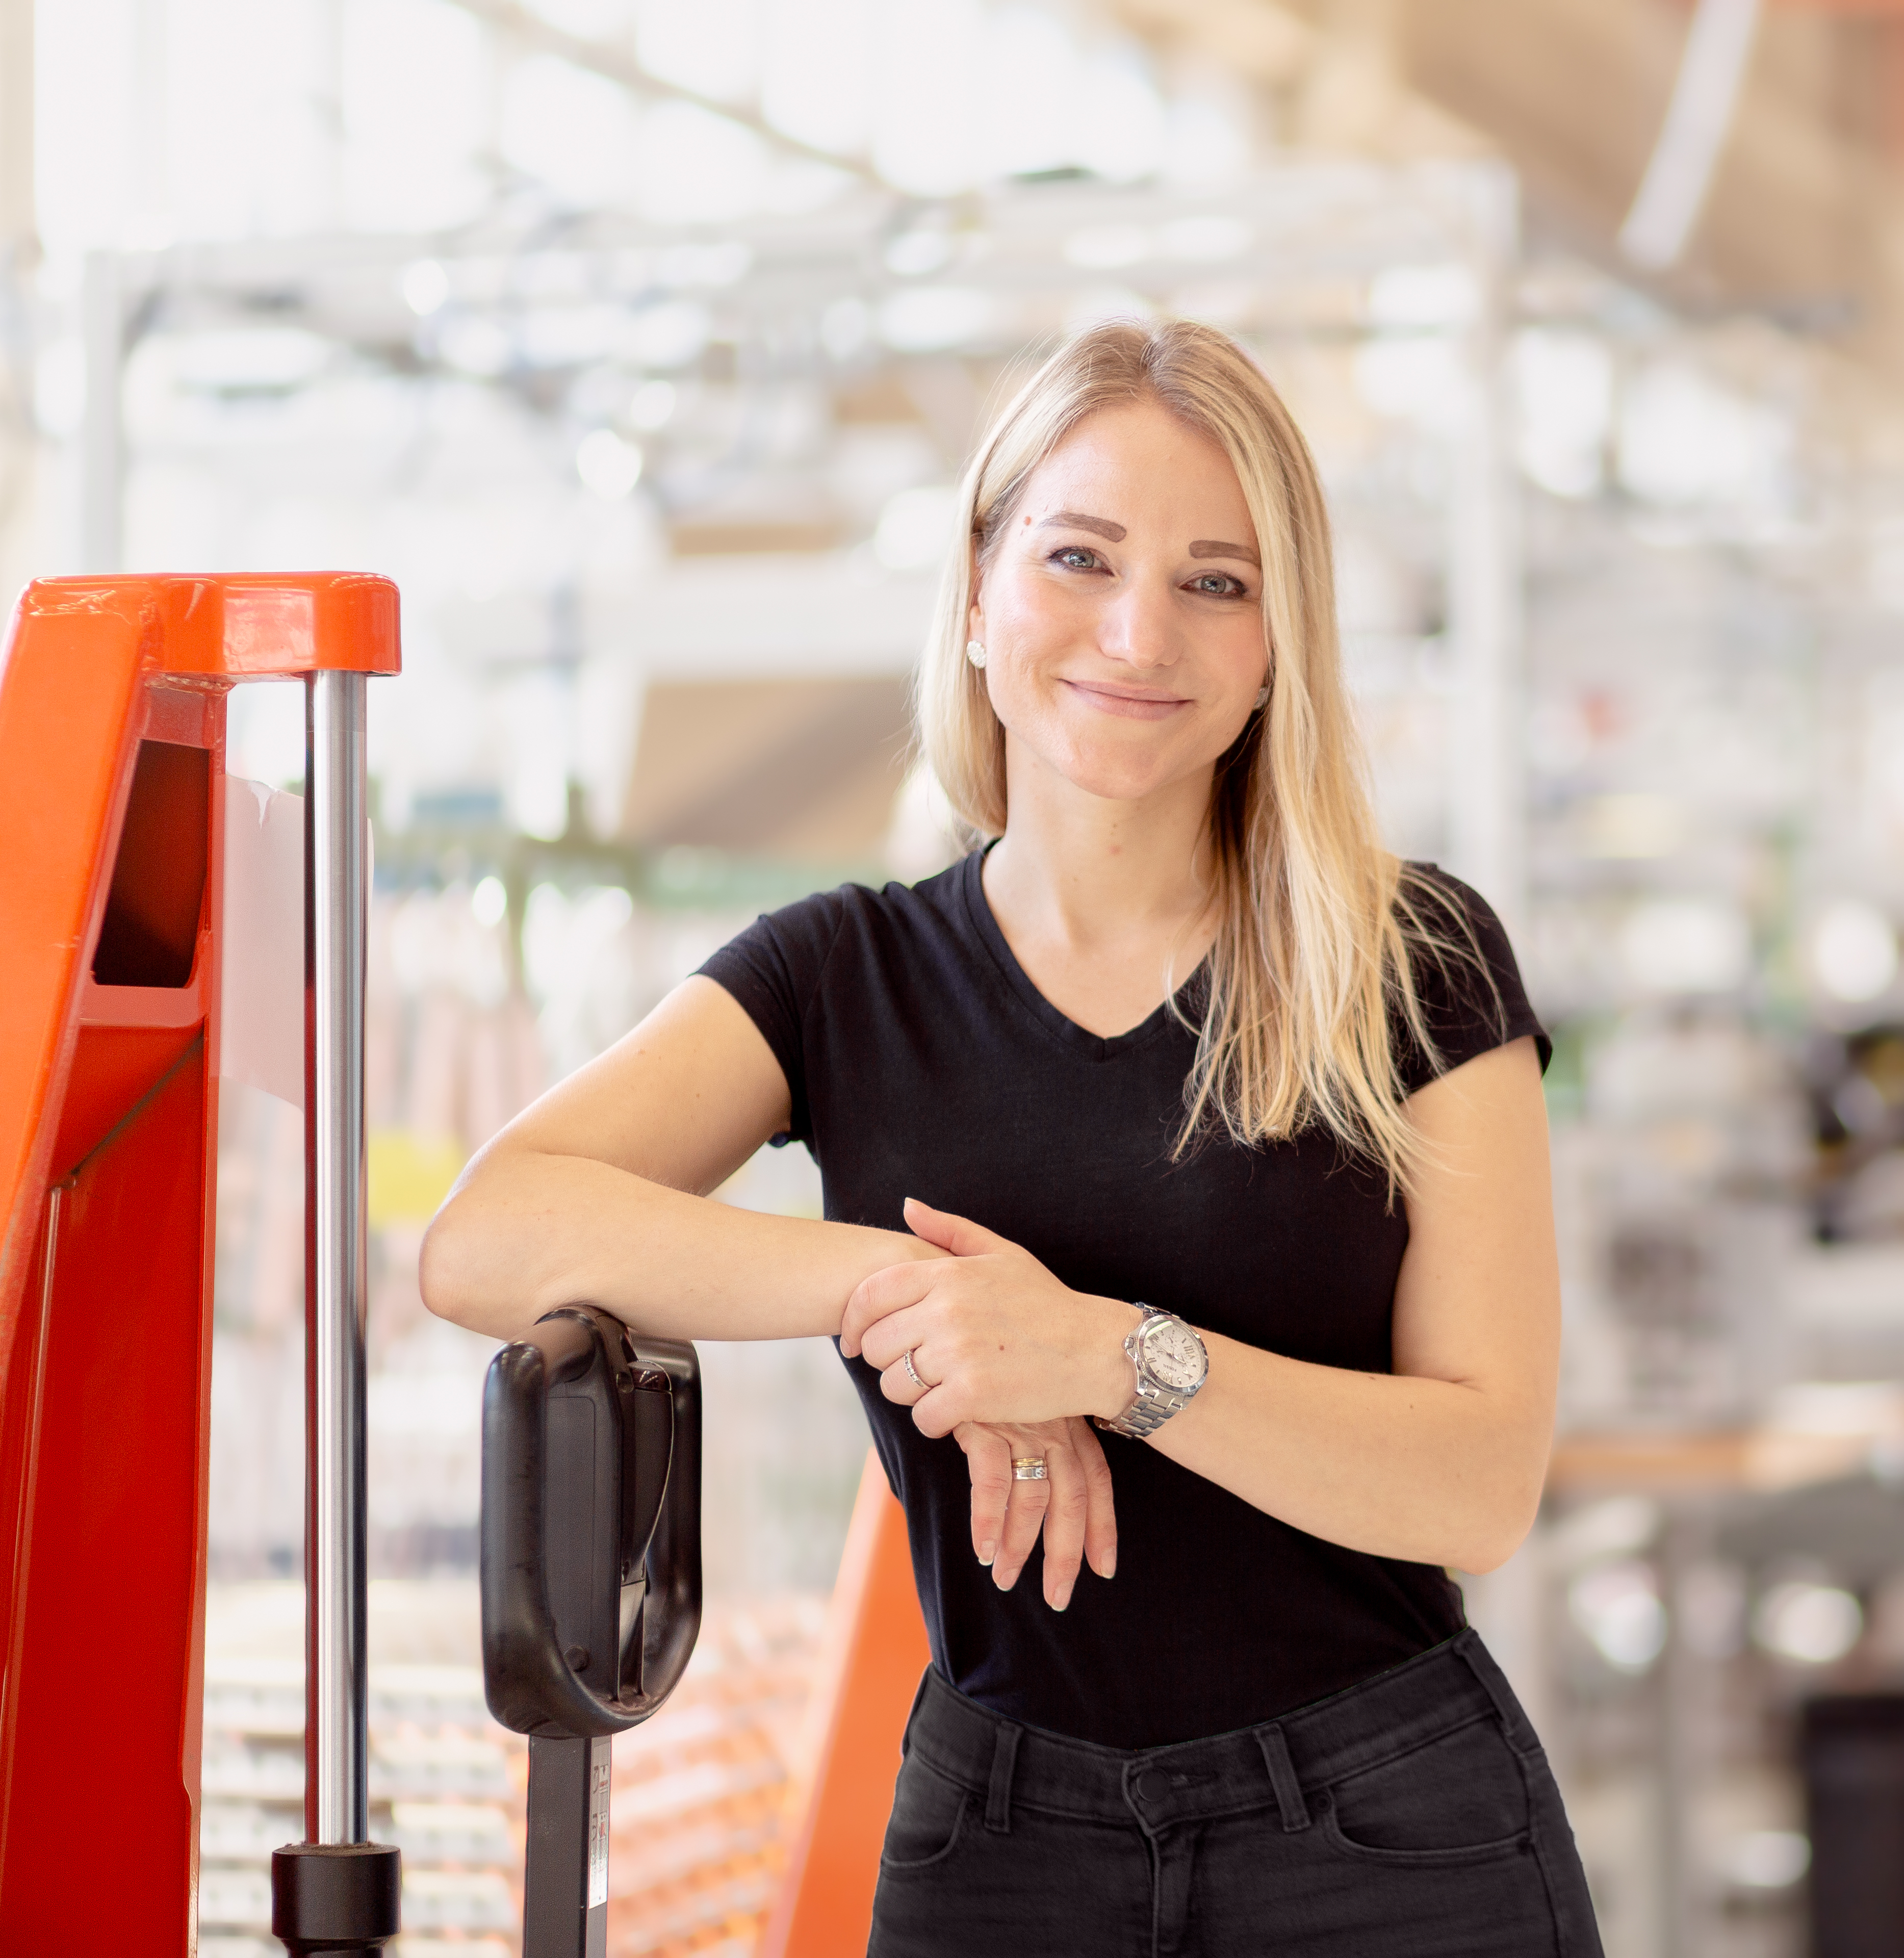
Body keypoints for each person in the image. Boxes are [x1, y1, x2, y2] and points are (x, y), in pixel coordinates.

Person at [422, 317, 1601, 1955]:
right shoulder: (842, 977)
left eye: (1217, 579)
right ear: (978, 597)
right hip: (1002, 1841)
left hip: (1380, 1835)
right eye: (1079, 556)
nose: (1140, 630)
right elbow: (486, 1239)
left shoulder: (1413, 965)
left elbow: (1478, 1482)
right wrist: (912, 1299)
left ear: (1277, 646)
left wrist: (1107, 1355)